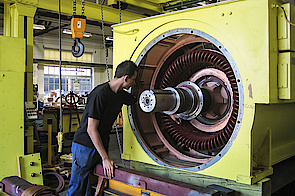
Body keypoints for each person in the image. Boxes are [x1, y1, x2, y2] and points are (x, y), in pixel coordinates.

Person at [67, 60, 138, 196]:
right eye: (133, 80)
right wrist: (105, 158)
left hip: (100, 145)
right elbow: (91, 129)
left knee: (92, 185)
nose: (134, 84)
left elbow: (143, 101)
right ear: (126, 78)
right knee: (78, 187)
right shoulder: (100, 94)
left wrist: (169, 112)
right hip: (85, 146)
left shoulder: (120, 95)